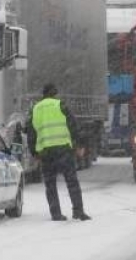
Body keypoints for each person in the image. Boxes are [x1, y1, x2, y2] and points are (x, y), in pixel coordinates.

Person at [26, 83, 91, 221]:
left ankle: (56, 213)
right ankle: (78, 211)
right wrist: (78, 144)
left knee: (50, 184)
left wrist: (34, 153)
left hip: (46, 153)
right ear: (55, 93)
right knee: (72, 181)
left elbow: (30, 133)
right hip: (64, 150)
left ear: (43, 95)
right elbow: (73, 126)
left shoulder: (35, 109)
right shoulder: (60, 105)